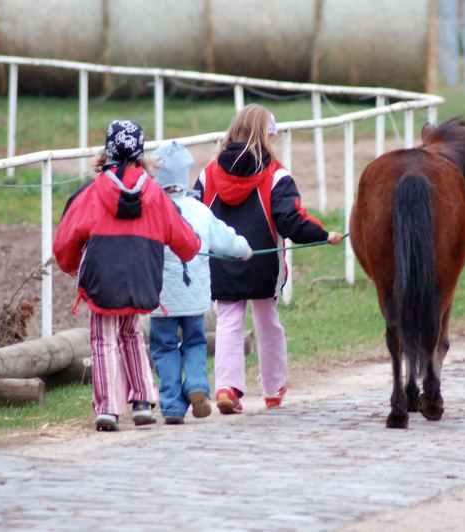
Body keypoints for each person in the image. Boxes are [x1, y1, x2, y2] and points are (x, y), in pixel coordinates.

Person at [195, 104, 343, 414]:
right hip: (264, 265)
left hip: (221, 263)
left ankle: (226, 387)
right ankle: (274, 388)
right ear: (267, 136)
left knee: (228, 322)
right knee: (268, 324)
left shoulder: (207, 174)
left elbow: (194, 217)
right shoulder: (277, 175)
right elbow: (291, 221)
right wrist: (322, 234)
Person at [53, 120, 201, 431]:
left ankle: (107, 407)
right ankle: (143, 401)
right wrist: (194, 249)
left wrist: (70, 265)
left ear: (107, 153)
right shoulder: (155, 193)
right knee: (132, 334)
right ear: (140, 153)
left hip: (102, 279)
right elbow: (184, 239)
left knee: (103, 339)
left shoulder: (91, 193)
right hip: (142, 279)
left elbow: (65, 241)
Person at [149, 141, 252, 425]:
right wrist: (244, 249)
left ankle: (171, 404)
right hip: (195, 297)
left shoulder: (151, 211)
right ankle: (196, 385)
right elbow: (224, 239)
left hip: (161, 301)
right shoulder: (199, 210)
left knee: (164, 347)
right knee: (195, 341)